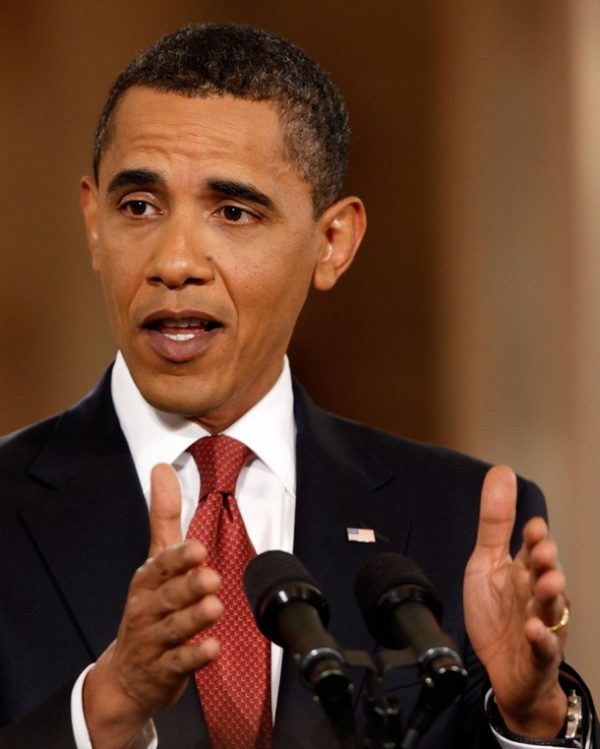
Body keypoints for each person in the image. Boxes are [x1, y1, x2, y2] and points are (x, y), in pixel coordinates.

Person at [0, 22, 596, 749]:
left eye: (233, 212)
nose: (175, 260)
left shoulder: (455, 523)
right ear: (93, 222)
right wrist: (107, 707)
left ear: (332, 242)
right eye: (139, 207)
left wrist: (530, 722)